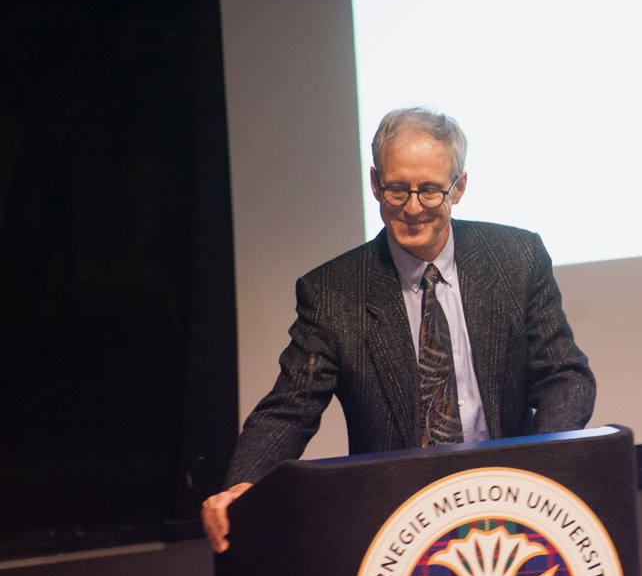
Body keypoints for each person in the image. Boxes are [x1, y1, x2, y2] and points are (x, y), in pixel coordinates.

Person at [201, 107, 595, 552]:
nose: (412, 208)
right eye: (396, 189)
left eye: (430, 191)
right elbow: (289, 409)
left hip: (513, 503)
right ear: (374, 183)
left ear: (459, 187)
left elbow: (564, 375)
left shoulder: (516, 259)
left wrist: (545, 463)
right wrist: (243, 484)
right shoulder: (334, 293)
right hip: (395, 525)